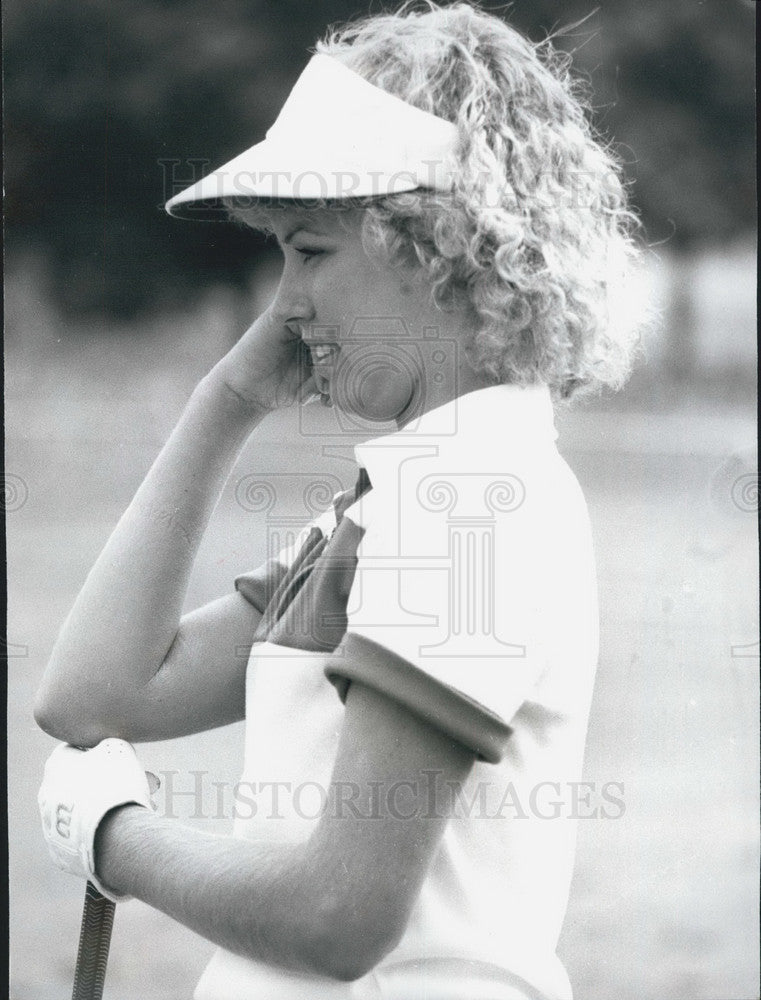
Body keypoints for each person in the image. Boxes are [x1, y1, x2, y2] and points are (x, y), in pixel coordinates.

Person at [35, 4, 640, 999]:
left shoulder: (463, 506)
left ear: (433, 245)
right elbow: (95, 697)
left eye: (308, 252)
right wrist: (222, 404)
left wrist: (117, 840)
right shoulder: (399, 501)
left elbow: (338, 914)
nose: (283, 306)